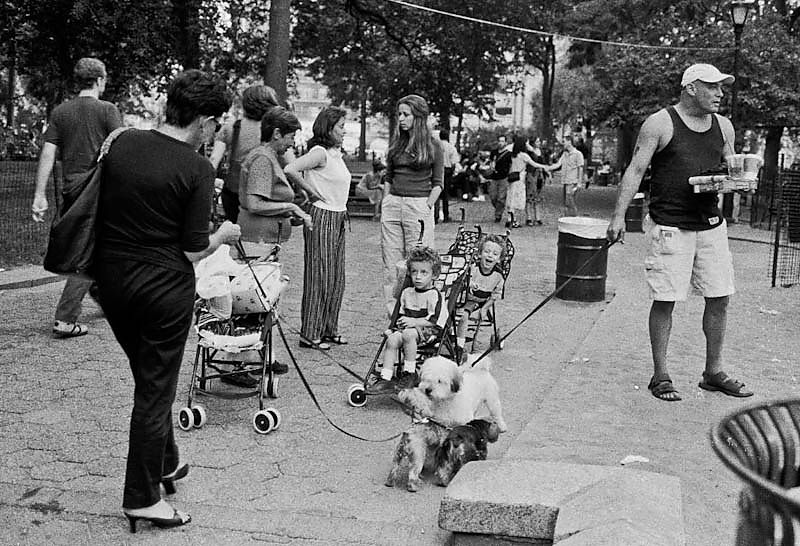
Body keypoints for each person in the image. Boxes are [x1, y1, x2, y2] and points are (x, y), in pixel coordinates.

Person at [93, 69, 240, 532]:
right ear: (205, 120)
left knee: (148, 376)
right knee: (155, 392)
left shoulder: (122, 142)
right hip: (162, 291)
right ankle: (142, 498)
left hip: (112, 284)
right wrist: (224, 233)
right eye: (217, 123)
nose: (215, 131)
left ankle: (166, 461)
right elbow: (194, 249)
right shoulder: (197, 168)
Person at [606, 62, 753, 402]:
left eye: (721, 87)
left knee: (720, 296)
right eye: (712, 87)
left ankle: (713, 372)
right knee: (665, 299)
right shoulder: (660, 123)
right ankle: (661, 375)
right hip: (670, 225)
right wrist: (617, 217)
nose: (720, 93)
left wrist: (738, 183)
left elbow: (731, 170)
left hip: (711, 225)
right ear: (690, 88)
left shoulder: (724, 126)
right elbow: (636, 169)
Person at [31, 57, 123, 338]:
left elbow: (48, 153)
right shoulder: (107, 110)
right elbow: (120, 149)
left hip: (72, 189)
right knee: (87, 250)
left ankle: (104, 298)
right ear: (99, 80)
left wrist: (39, 194)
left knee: (93, 246)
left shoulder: (61, 112)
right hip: (98, 190)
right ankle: (65, 317)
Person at [285, 106, 351, 351]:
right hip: (322, 215)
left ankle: (329, 328)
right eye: (341, 126)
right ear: (328, 128)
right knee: (319, 276)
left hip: (339, 215)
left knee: (336, 278)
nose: (344, 131)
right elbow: (291, 169)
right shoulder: (319, 152)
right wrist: (310, 192)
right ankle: (310, 333)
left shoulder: (335, 154)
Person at [381, 94, 443, 312]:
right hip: (393, 205)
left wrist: (427, 206)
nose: (401, 119)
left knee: (420, 263)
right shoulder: (397, 143)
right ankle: (394, 316)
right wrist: (387, 201)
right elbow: (388, 177)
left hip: (418, 206)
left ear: (418, 117)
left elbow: (438, 183)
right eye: (399, 114)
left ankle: (419, 313)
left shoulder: (433, 145)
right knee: (391, 265)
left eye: (406, 114)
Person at [237, 106, 314, 253]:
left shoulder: (270, 157)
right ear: (277, 133)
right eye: (291, 137)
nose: (292, 143)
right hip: (257, 242)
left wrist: (288, 214)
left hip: (264, 240)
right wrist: (291, 207)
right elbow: (255, 205)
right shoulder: (262, 159)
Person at [374, 246, 449, 392]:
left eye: (424, 272)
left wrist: (414, 322)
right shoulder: (407, 293)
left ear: (434, 275)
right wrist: (394, 329)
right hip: (408, 331)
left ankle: (410, 373)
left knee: (408, 334)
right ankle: (386, 377)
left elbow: (435, 320)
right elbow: (402, 316)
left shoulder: (434, 295)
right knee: (392, 339)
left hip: (429, 332)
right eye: (414, 272)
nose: (418, 276)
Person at [209, 85, 281, 223]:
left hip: (233, 195)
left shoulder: (231, 127)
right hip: (264, 195)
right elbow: (290, 165)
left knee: (236, 231)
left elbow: (213, 160)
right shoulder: (275, 131)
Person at [455, 235, 505, 356]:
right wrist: (469, 284)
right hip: (467, 298)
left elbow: (495, 294)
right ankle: (459, 344)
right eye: (486, 252)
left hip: (483, 300)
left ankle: (468, 346)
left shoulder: (498, 276)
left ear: (499, 259)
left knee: (475, 318)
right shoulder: (473, 268)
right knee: (462, 316)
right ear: (480, 254)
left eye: (495, 254)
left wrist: (485, 308)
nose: (490, 256)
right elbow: (461, 280)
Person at [506, 135, 549, 228]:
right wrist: (545, 166)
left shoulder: (512, 155)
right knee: (517, 200)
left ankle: (509, 219)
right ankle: (513, 220)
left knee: (511, 199)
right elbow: (535, 163)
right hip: (520, 179)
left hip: (512, 178)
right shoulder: (524, 156)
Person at [545, 135, 584, 216]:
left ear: (569, 142)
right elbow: (558, 164)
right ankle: (567, 219)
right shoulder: (564, 154)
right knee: (566, 203)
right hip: (565, 182)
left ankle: (574, 219)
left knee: (570, 202)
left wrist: (579, 183)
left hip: (572, 182)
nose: (563, 143)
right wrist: (548, 167)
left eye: (564, 141)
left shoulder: (578, 154)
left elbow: (580, 168)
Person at [486, 135, 512, 223]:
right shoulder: (494, 152)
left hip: (503, 177)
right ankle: (499, 209)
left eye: (502, 141)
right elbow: (491, 162)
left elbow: (510, 165)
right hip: (494, 177)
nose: (500, 143)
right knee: (493, 196)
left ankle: (498, 214)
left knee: (501, 197)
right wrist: (491, 166)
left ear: (506, 143)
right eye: (499, 141)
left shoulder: (508, 154)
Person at [436, 129, 460, 223]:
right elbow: (454, 162)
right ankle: (446, 216)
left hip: (437, 170)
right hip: (447, 171)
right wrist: (452, 172)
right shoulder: (451, 147)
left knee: (436, 193)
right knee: (445, 194)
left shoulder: (436, 146)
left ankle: (435, 216)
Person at [525, 137, 548, 225]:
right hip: (531, 174)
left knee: (537, 196)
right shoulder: (529, 153)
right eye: (537, 141)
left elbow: (544, 163)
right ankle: (529, 217)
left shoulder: (541, 151)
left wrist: (546, 174)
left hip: (539, 175)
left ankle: (537, 217)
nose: (539, 143)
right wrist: (529, 148)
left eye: (539, 141)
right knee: (530, 196)